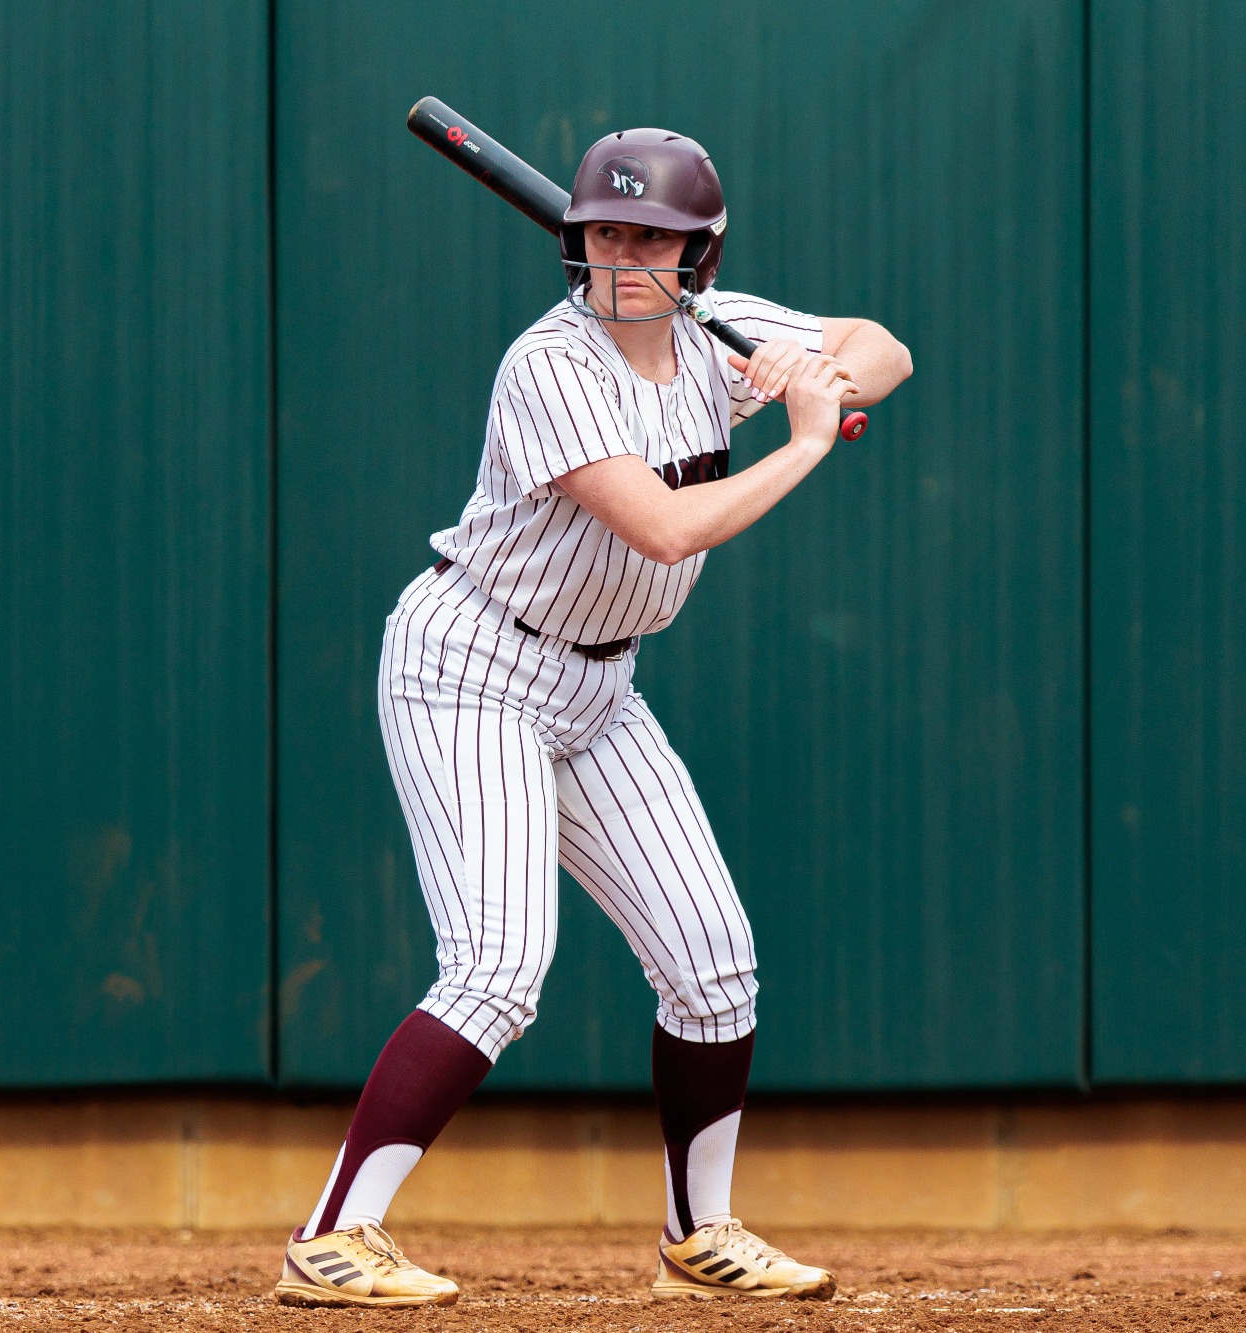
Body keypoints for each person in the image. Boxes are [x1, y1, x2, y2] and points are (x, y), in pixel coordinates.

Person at [273, 127, 912, 1309]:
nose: (622, 255)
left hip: (597, 683)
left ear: (698, 255)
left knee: (714, 966)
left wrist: (816, 370)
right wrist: (807, 442)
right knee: (498, 966)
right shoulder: (549, 365)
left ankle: (697, 1232)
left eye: (651, 238)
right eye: (605, 233)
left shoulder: (711, 331)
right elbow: (664, 530)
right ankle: (331, 1236)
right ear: (574, 241)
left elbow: (886, 348)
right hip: (471, 665)